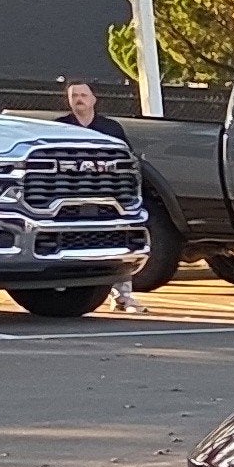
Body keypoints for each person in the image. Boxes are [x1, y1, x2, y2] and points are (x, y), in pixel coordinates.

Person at [66, 77, 151, 313]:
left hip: (107, 199)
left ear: (94, 99)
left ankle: (123, 297)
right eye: (74, 96)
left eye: (83, 95)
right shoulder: (61, 127)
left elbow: (125, 162)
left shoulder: (111, 129)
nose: (79, 100)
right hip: (69, 200)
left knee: (116, 244)